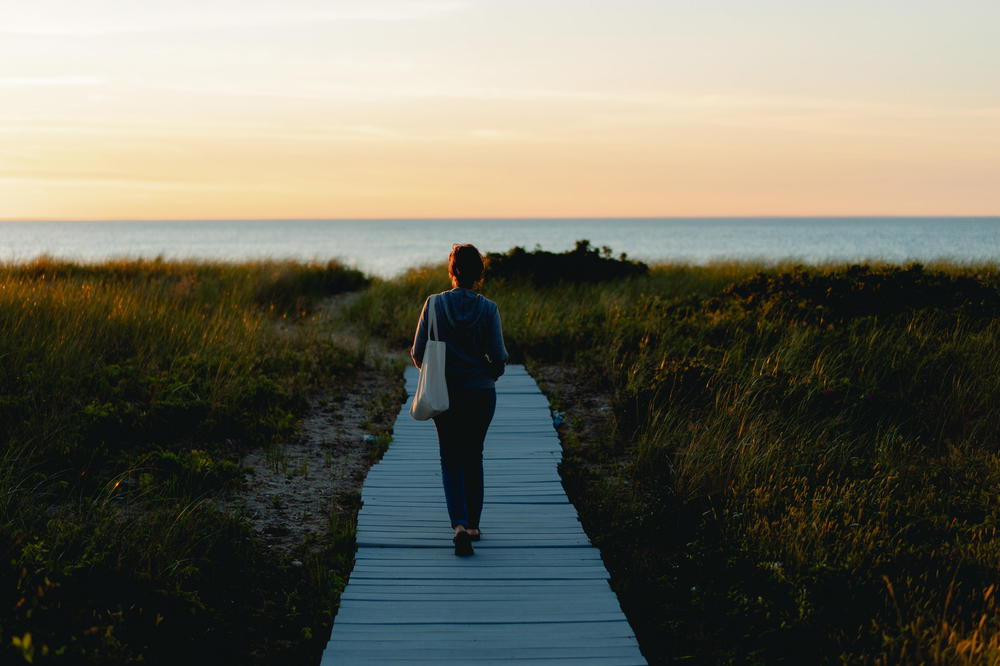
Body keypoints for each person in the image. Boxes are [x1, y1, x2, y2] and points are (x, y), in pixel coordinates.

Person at [410, 244, 508, 556]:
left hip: (444, 391)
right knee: (474, 455)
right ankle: (475, 525)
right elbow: (499, 357)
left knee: (450, 458)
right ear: (480, 274)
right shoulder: (488, 308)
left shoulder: (434, 304)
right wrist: (488, 374)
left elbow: (417, 352)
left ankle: (459, 526)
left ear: (452, 271)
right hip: (480, 392)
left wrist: (435, 369)